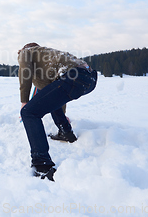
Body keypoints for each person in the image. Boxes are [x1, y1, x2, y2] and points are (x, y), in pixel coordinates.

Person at [18, 43, 97, 181]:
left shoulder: (27, 51)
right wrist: (63, 115)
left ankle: (42, 165)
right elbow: (54, 94)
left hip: (74, 76)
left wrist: (24, 101)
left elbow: (25, 70)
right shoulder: (49, 57)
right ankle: (66, 133)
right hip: (90, 78)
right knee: (45, 100)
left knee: (28, 113)